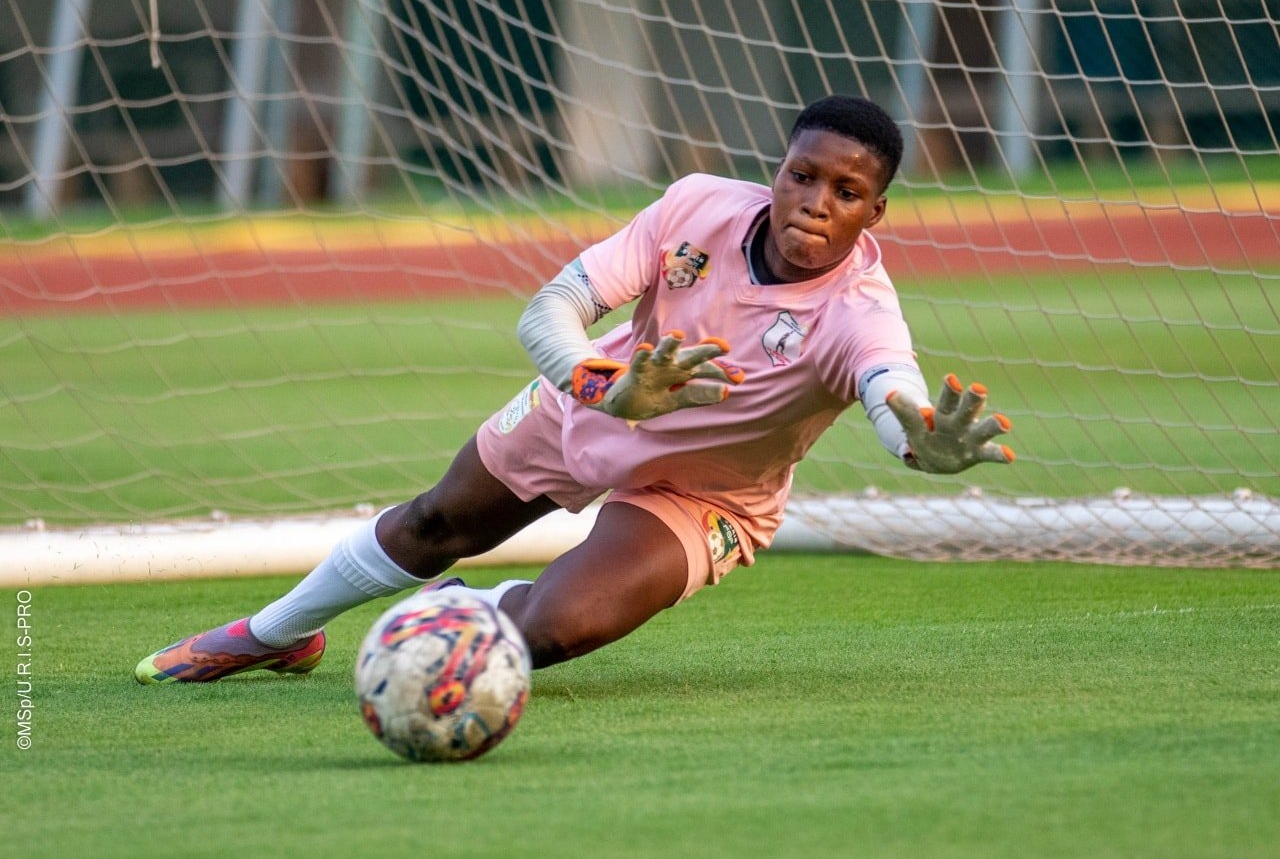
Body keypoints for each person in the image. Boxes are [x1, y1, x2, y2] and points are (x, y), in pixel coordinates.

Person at [134, 94, 1014, 684]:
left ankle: (445, 615)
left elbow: (890, 388)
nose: (816, 201)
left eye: (847, 191)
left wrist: (916, 442)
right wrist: (606, 386)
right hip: (591, 401)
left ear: (874, 212)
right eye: (803, 175)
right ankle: (273, 635)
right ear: (778, 170)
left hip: (704, 495)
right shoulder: (697, 206)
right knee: (435, 523)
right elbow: (552, 308)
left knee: (555, 630)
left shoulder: (859, 311)